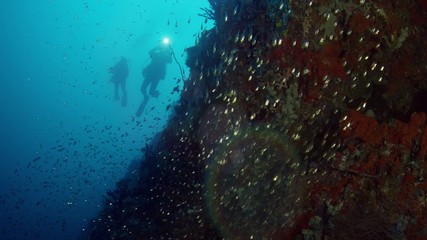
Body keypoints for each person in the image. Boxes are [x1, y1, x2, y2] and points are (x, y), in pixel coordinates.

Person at [136, 44, 172, 117]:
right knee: (142, 89)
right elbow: (150, 52)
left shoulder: (165, 56)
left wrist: (168, 51)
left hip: (157, 76)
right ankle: (146, 97)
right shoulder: (156, 54)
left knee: (151, 91)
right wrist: (157, 47)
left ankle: (149, 96)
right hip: (150, 74)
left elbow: (170, 61)